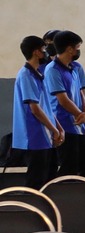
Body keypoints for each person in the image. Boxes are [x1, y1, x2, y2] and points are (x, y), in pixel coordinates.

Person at [42, 31, 85, 178]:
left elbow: (80, 93)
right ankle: (60, 198)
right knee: (69, 166)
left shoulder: (74, 68)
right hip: (64, 124)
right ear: (70, 49)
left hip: (78, 124)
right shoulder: (53, 70)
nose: (79, 50)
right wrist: (81, 115)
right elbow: (63, 100)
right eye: (77, 47)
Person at [11, 36, 62, 188]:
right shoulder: (26, 75)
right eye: (44, 49)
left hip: (46, 136)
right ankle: (33, 209)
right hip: (35, 136)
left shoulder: (38, 74)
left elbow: (45, 105)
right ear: (36, 52)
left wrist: (58, 127)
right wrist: (53, 129)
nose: (46, 53)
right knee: (36, 179)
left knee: (49, 175)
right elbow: (35, 109)